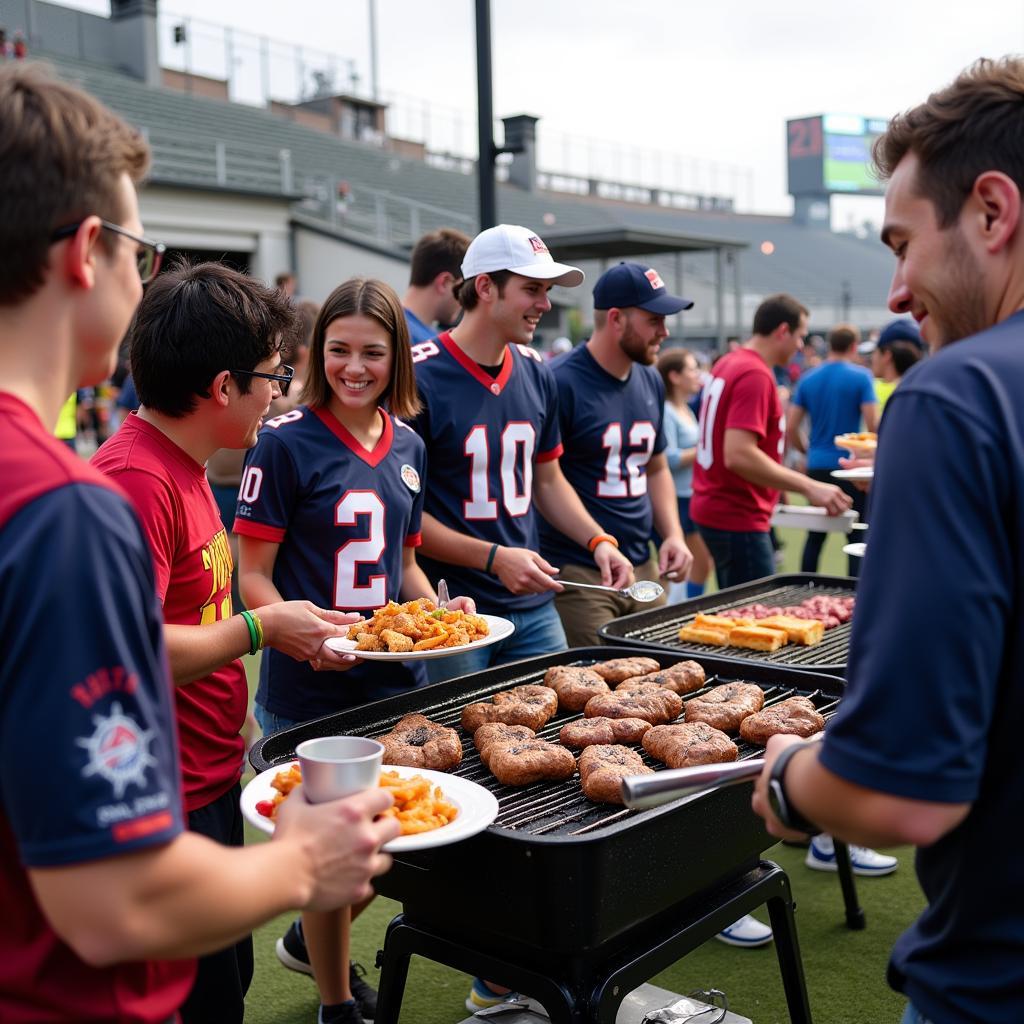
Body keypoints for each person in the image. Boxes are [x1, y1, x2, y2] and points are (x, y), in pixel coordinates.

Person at [0, 63, 397, 1024]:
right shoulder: (72, 499)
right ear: (88, 251)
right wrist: (311, 858)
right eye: (142, 248)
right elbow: (114, 904)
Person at [751, 57, 1024, 1024]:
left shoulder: (957, 397)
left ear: (992, 212)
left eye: (904, 243)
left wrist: (790, 780)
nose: (898, 288)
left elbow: (904, 795)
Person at [91, 262, 364, 1023]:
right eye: (274, 376)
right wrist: (263, 627)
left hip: (207, 781)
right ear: (222, 386)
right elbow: (125, 655)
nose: (278, 393)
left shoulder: (184, 468)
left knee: (227, 984)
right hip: (162, 797)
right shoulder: (134, 480)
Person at [235, 276, 474, 1024]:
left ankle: (315, 940)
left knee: (386, 844)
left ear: (396, 355)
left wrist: (444, 612)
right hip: (308, 687)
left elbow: (404, 567)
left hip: (392, 683)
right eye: (339, 351)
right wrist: (306, 638)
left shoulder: (406, 440)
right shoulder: (281, 442)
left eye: (372, 352)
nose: (355, 367)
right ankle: (336, 1001)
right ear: (316, 354)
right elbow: (251, 576)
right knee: (332, 853)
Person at [410, 223, 634, 688]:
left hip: (533, 606)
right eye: (532, 289)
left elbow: (548, 480)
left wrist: (599, 541)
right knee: (456, 741)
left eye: (547, 290)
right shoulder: (419, 376)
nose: (545, 304)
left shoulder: (536, 372)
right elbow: (403, 517)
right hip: (451, 610)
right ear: (486, 287)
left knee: (551, 732)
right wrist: (493, 558)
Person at [540, 262, 693, 644]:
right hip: (583, 567)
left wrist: (672, 534)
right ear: (616, 319)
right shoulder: (561, 382)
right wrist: (598, 543)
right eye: (654, 319)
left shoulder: (649, 378)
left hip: (643, 563)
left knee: (656, 683)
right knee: (598, 692)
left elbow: (655, 467)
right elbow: (545, 480)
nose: (664, 331)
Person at [690, 294, 854, 588]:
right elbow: (738, 454)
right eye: (800, 336)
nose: (801, 346)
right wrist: (809, 486)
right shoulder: (754, 372)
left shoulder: (729, 361)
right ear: (782, 331)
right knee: (754, 623)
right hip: (736, 514)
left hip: (716, 506)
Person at [787, 323, 878, 575]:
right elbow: (872, 424)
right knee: (857, 533)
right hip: (850, 469)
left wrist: (807, 451)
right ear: (853, 346)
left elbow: (792, 426)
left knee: (816, 534)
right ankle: (853, 596)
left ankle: (805, 587)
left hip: (817, 465)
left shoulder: (808, 377)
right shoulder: (861, 376)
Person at [657, 348, 713, 601]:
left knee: (699, 564)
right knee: (692, 563)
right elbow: (668, 458)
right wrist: (705, 448)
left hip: (692, 496)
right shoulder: (667, 411)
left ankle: (684, 608)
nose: (697, 375)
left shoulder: (686, 409)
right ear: (675, 376)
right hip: (678, 498)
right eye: (691, 369)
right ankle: (677, 610)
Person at [402, 227, 470, 343]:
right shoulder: (414, 340)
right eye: (463, 288)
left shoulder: (387, 324)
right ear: (444, 282)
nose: (464, 301)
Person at [858, 318, 925, 409]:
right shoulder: (920, 394)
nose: (872, 358)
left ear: (887, 355)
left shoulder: (898, 395)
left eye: (875, 352)